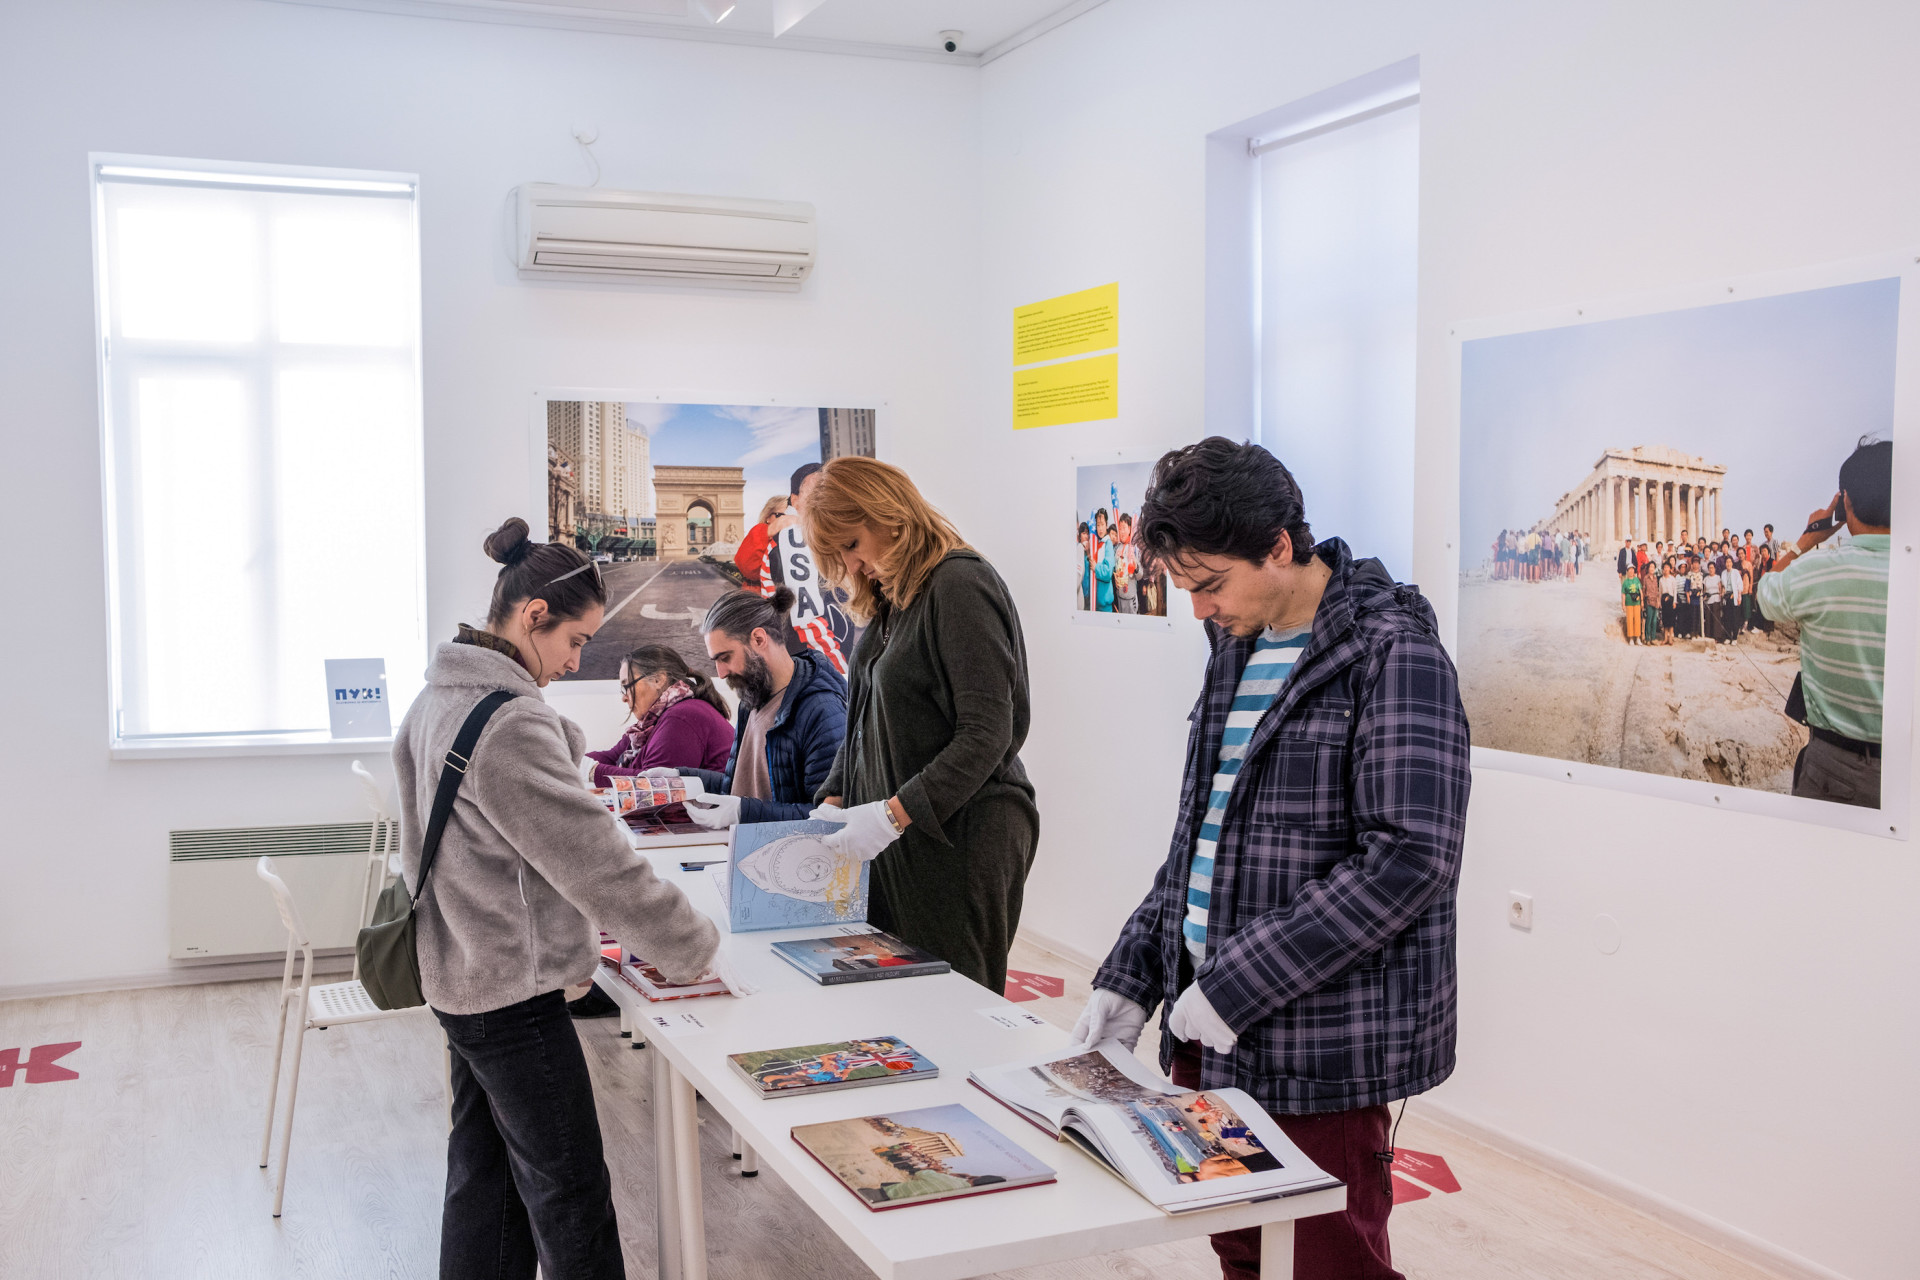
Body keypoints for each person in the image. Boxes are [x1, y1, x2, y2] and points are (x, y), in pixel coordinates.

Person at [1071, 438, 1469, 1280]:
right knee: (1245, 1247)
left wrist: (1237, 981)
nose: (1200, 610)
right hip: (1214, 1033)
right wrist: (1133, 975)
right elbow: (1200, 837)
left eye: (1210, 584)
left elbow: (1409, 859)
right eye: (1186, 589)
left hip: (1321, 1043)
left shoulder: (1394, 654)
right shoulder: (1235, 647)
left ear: (1280, 547)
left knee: (1329, 1260)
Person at [394, 518, 726, 1280]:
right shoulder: (508, 723)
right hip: (511, 992)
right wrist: (693, 947)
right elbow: (598, 866)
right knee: (570, 1195)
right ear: (532, 617)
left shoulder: (432, 701)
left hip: (460, 976)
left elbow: (417, 853)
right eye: (575, 641)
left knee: (486, 1186)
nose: (577, 660)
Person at [803, 456, 1039, 994]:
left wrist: (890, 816)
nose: (854, 566)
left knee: (950, 1008)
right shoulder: (893, 598)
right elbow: (862, 716)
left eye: (853, 545)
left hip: (961, 840)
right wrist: (834, 799)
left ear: (889, 516)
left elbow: (987, 733)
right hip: (897, 837)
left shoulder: (958, 584)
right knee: (893, 1009)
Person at [1758, 438, 1892, 808]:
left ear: (1844, 501)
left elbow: (1765, 592)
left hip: (1836, 769)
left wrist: (1807, 539)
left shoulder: (1820, 573)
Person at [670, 587, 849, 828]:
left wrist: (745, 812)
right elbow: (738, 784)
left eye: (725, 658)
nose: (720, 674)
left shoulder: (822, 709)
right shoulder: (752, 697)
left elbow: (828, 818)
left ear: (758, 639)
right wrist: (678, 778)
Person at [582, 644, 733, 785]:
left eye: (627, 686)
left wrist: (592, 772)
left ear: (658, 680)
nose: (624, 697)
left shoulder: (681, 717)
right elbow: (612, 756)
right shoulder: (648, 726)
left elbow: (654, 787)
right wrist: (569, 761)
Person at [761, 462, 850, 673]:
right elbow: (806, 620)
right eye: (816, 488)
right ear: (795, 500)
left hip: (810, 660)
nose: (825, 495)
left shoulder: (815, 535)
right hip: (817, 663)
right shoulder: (795, 538)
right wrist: (842, 673)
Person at [734, 494, 789, 590]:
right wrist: (768, 532)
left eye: (791, 516)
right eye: (781, 516)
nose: (786, 520)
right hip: (759, 597)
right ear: (768, 517)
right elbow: (748, 568)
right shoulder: (760, 531)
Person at [1113, 512, 1141, 613]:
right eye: (1120, 528)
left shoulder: (1133, 548)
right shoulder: (1117, 549)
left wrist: (1135, 566)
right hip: (1119, 596)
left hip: (1130, 598)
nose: (1121, 531)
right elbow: (1115, 568)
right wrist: (1115, 575)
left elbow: (1140, 575)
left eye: (1124, 528)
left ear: (1130, 529)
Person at [1091, 508, 1117, 611]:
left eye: (1102, 524)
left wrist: (1096, 567)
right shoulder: (1096, 544)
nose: (1100, 528)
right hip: (1094, 602)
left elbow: (1108, 572)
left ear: (1106, 525)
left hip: (1104, 603)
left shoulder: (1108, 543)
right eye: (1098, 525)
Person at [1622, 565, 1644, 644]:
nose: (1631, 571)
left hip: (1637, 602)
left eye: (1632, 570)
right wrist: (1623, 604)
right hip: (1629, 602)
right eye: (1629, 570)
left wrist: (1642, 601)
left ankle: (1638, 637)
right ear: (1627, 571)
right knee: (1630, 619)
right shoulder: (1625, 582)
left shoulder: (1637, 580)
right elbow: (1623, 594)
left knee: (1637, 619)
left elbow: (1640, 590)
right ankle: (1631, 638)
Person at [1076, 521, 1093, 610]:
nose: (1086, 536)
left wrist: (1088, 552)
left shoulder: (1090, 550)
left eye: (1087, 534)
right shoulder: (1077, 549)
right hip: (1080, 593)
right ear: (1079, 535)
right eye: (1084, 533)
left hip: (1090, 593)